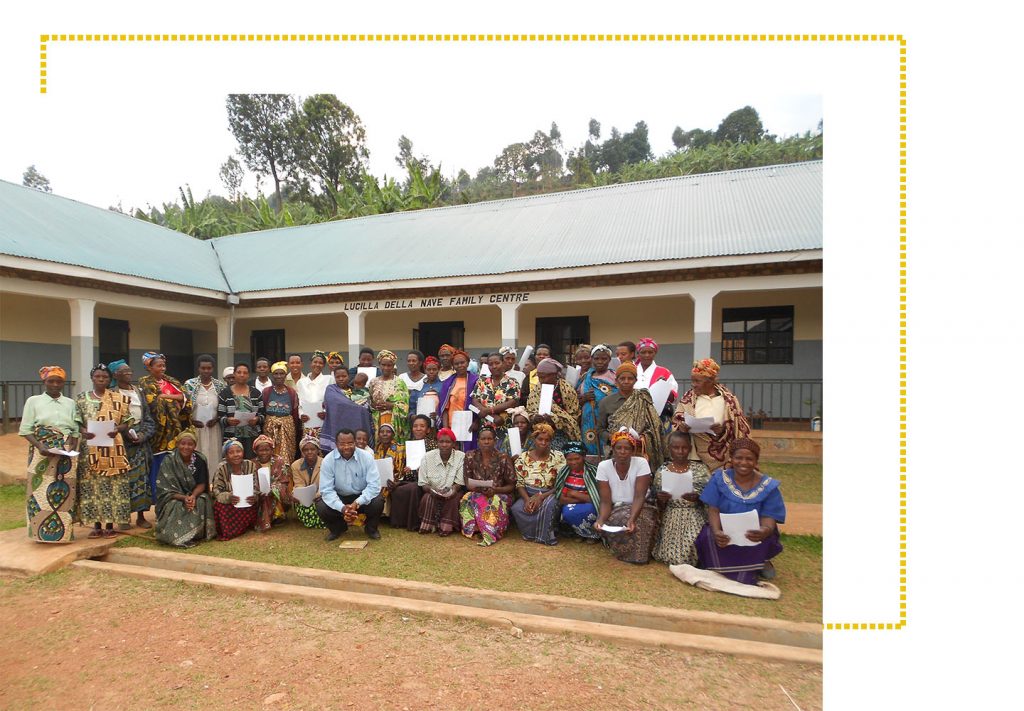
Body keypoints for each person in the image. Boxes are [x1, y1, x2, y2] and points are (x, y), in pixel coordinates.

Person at [695, 438, 785, 583]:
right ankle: (720, 564)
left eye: (749, 459)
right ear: (731, 459)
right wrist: (717, 531)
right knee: (708, 535)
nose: (743, 462)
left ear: (756, 461)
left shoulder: (769, 486)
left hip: (755, 533)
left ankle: (761, 561)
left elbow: (769, 518)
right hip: (725, 531)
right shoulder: (719, 479)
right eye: (739, 458)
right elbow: (713, 510)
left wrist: (764, 531)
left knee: (767, 538)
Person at [21, 366, 80, 543]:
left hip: (66, 454)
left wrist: (72, 448)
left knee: (65, 491)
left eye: (59, 381)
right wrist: (40, 445)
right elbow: (25, 429)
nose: (55, 384)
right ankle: (39, 533)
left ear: (64, 383)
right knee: (39, 490)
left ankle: (63, 534)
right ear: (44, 382)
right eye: (51, 381)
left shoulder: (70, 403)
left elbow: (76, 430)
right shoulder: (33, 401)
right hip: (41, 451)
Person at [76, 364, 135, 538]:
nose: (101, 379)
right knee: (93, 486)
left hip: (113, 448)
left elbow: (129, 420)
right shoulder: (81, 399)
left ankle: (110, 524)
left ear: (110, 380)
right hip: (90, 449)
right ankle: (96, 525)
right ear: (92, 378)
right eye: (98, 376)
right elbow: (77, 421)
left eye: (105, 377)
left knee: (111, 487)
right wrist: (83, 431)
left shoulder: (118, 398)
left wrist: (118, 428)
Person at [673, 358, 751, 475]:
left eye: (697, 381)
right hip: (695, 457)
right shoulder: (688, 398)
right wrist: (682, 428)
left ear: (710, 381)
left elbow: (739, 429)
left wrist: (723, 430)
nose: (693, 385)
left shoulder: (729, 401)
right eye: (692, 380)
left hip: (724, 459)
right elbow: (677, 421)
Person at [594, 428, 658, 564]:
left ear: (633, 451)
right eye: (619, 448)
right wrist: (600, 520)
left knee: (640, 520)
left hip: (642, 505)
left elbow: (639, 496)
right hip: (616, 507)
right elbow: (605, 502)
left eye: (627, 448)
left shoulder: (641, 463)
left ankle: (640, 557)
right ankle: (624, 553)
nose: (622, 452)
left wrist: (632, 518)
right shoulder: (603, 467)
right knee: (617, 519)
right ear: (613, 449)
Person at [138, 352, 190, 511]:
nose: (162, 368)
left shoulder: (171, 381)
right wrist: (175, 397)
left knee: (175, 467)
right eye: (158, 365)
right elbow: (153, 403)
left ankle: (177, 503)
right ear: (149, 366)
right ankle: (160, 503)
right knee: (158, 469)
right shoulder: (144, 383)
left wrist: (168, 397)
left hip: (175, 432)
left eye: (163, 365)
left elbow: (186, 398)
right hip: (157, 435)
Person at [652, 430, 712, 566]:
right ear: (669, 449)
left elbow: (711, 498)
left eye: (684, 448)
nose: (680, 451)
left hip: (695, 514)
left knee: (693, 542)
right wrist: (661, 499)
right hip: (671, 514)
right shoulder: (662, 471)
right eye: (676, 447)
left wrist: (698, 498)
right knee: (670, 554)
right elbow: (658, 505)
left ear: (690, 449)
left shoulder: (700, 470)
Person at [110, 359, 156, 528]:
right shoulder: (112, 394)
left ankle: (141, 516)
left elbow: (149, 419)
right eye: (124, 371)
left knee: (142, 479)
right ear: (115, 374)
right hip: (120, 441)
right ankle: (123, 517)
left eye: (130, 370)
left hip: (140, 441)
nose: (129, 373)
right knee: (122, 479)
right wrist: (125, 433)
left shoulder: (138, 391)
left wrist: (142, 435)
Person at [316, 429, 385, 541]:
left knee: (378, 500)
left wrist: (356, 503)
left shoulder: (367, 457)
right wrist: (343, 508)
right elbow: (326, 490)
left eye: (350, 443)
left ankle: (371, 529)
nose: (346, 447)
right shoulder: (328, 460)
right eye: (342, 444)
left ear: (355, 443)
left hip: (361, 496)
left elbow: (374, 486)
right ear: (336, 444)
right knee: (321, 505)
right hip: (340, 497)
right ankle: (337, 529)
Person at [597, 361, 666, 470]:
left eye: (630, 378)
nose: (626, 381)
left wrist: (642, 439)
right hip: (615, 451)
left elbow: (655, 427)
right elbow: (600, 429)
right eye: (622, 378)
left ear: (635, 380)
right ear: (616, 381)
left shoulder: (643, 398)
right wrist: (613, 437)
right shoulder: (606, 402)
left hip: (640, 452)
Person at [154, 428, 215, 547]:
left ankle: (195, 534)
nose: (186, 447)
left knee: (202, 500)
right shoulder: (169, 461)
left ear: (195, 446)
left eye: (190, 444)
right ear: (177, 444)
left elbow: (202, 484)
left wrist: (192, 496)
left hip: (194, 494)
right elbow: (164, 488)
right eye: (183, 443)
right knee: (175, 506)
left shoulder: (200, 460)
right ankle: (175, 534)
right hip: (174, 496)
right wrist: (183, 498)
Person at [459, 424, 516, 546]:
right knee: (467, 497)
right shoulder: (470, 456)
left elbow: (512, 485)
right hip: (477, 491)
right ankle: (474, 530)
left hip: (500, 493)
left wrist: (496, 490)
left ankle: (491, 531)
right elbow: (467, 482)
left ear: (495, 441)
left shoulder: (503, 458)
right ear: (478, 441)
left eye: (489, 439)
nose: (486, 442)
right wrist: (479, 488)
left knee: (493, 501)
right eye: (483, 439)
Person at [510, 423, 566, 546]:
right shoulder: (523, 458)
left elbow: (561, 482)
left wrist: (541, 496)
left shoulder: (558, 457)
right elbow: (520, 483)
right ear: (534, 439)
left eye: (547, 440)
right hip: (527, 493)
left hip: (550, 493)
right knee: (517, 508)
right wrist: (527, 500)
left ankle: (545, 536)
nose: (543, 443)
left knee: (547, 506)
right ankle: (530, 534)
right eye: (540, 439)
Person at [388, 415, 437, 531]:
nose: (418, 429)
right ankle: (399, 521)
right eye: (415, 426)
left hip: (426, 480)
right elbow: (402, 465)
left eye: (422, 426)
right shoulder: (408, 445)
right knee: (397, 489)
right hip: (409, 477)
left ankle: (414, 523)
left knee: (413, 488)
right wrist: (404, 471)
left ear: (428, 430)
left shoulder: (433, 445)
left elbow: (435, 466)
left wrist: (421, 470)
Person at [210, 439, 262, 540]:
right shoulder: (222, 468)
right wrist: (229, 497)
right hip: (229, 504)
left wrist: (254, 496)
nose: (236, 455)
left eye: (238, 451)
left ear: (243, 452)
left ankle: (246, 526)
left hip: (247, 502)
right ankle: (229, 531)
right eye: (231, 452)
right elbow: (216, 491)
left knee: (256, 504)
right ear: (226, 456)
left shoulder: (250, 465)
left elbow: (256, 486)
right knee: (221, 507)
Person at [417, 428, 465, 536]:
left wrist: (452, 490)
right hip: (433, 490)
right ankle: (429, 526)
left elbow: (459, 483)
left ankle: (446, 527)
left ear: (453, 444)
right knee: (427, 498)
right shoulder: (427, 457)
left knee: (453, 499)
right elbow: (423, 483)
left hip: (452, 490)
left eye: (448, 442)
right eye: (441, 442)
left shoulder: (461, 457)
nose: (444, 445)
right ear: (437, 443)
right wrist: (432, 490)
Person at [525, 358, 581, 452]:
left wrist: (555, 420)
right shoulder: (537, 390)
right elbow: (530, 411)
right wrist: (535, 418)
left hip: (562, 433)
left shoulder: (566, 389)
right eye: (539, 377)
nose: (541, 380)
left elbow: (574, 416)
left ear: (555, 375)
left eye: (544, 377)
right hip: (539, 432)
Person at [183, 354, 227, 473]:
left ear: (213, 369)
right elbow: (183, 408)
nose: (206, 371)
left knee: (214, 455)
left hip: (213, 428)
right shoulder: (189, 385)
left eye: (209, 368)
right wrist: (191, 420)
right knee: (196, 455)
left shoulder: (220, 386)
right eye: (203, 368)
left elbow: (224, 407)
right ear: (198, 368)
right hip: (196, 428)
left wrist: (217, 419)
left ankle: (213, 484)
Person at [553, 440, 601, 542]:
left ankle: (593, 534)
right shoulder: (564, 472)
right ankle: (579, 532)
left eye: (577, 458)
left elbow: (596, 498)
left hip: (589, 505)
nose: (573, 462)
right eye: (569, 459)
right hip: (571, 504)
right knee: (568, 512)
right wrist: (581, 498)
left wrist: (574, 494)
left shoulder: (593, 472)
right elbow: (561, 498)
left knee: (589, 509)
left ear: (583, 457)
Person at [320, 366, 373, 454]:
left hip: (355, 426)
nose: (341, 379)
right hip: (336, 426)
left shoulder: (355, 390)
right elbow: (339, 404)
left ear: (348, 376)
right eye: (338, 377)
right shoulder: (331, 389)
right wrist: (359, 409)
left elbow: (366, 405)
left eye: (344, 376)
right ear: (334, 377)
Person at [472, 353, 521, 446]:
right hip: (485, 427)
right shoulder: (481, 381)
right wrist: (487, 413)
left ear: (503, 363)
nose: (494, 366)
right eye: (490, 364)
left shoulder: (512, 382)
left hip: (504, 425)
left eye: (497, 363)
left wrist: (489, 410)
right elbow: (475, 399)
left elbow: (512, 402)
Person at [218, 363, 265, 458]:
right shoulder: (225, 394)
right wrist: (228, 420)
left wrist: (257, 419)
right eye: (239, 372)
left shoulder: (256, 393)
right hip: (232, 437)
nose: (242, 375)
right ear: (234, 374)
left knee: (251, 464)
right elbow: (220, 417)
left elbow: (263, 415)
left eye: (245, 372)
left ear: (248, 375)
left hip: (252, 437)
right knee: (234, 463)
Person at [579, 345, 618, 457]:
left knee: (607, 450)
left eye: (604, 359)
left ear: (609, 360)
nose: (600, 362)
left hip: (608, 421)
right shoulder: (585, 377)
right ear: (591, 359)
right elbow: (575, 401)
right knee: (589, 450)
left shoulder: (614, 377)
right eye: (596, 359)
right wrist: (584, 398)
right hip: (588, 422)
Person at [437, 350, 479, 451]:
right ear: (453, 365)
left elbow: (481, 404)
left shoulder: (476, 381)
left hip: (470, 425)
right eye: (456, 363)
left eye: (462, 362)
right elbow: (445, 409)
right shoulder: (448, 383)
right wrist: (446, 429)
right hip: (453, 426)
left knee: (469, 455)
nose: (460, 365)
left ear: (468, 363)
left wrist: (477, 422)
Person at [369, 350, 411, 445]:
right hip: (378, 421)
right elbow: (370, 402)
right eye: (383, 365)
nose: (386, 368)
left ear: (393, 366)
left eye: (389, 365)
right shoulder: (373, 382)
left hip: (394, 421)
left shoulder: (400, 382)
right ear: (379, 364)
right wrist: (374, 406)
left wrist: (391, 406)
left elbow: (405, 405)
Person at [261, 361, 300, 463]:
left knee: (287, 456)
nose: (279, 376)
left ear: (286, 375)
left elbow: (295, 414)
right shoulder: (266, 392)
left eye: (281, 373)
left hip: (287, 429)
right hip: (270, 429)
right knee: (270, 455)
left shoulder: (292, 392)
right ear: (272, 375)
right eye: (276, 373)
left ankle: (287, 477)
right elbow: (262, 411)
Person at [252, 434, 291, 525]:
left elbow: (284, 481)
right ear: (256, 451)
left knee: (274, 492)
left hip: (275, 493)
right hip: (258, 493)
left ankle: (277, 516)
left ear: (272, 450)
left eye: (267, 450)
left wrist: (272, 489)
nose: (264, 453)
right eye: (261, 450)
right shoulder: (252, 463)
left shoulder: (279, 460)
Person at [290, 435, 326, 528]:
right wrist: (300, 495)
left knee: (321, 506)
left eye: (313, 449)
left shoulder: (325, 463)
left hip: (321, 495)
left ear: (318, 450)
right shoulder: (296, 465)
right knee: (305, 506)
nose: (309, 452)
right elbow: (298, 484)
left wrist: (316, 495)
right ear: (302, 452)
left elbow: (326, 484)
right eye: (306, 450)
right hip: (305, 498)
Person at [296, 351, 332, 441]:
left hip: (323, 422)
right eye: (315, 362)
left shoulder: (329, 379)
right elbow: (299, 402)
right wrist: (301, 415)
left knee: (323, 448)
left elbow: (331, 400)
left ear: (324, 365)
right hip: (307, 422)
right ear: (310, 364)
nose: (317, 365)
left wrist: (326, 412)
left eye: (320, 363)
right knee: (308, 448)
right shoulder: (301, 382)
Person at [374, 422, 405, 516]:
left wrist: (396, 481)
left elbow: (401, 468)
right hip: (378, 480)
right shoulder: (376, 448)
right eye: (382, 432)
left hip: (394, 480)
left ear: (393, 435)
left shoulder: (400, 448)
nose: (384, 434)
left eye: (388, 432)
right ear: (378, 435)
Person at [399, 349, 427, 423]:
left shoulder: (426, 378)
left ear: (420, 363)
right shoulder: (402, 377)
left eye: (414, 361)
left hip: (421, 414)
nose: (411, 363)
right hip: (403, 415)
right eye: (409, 361)